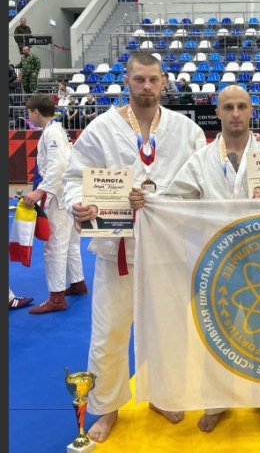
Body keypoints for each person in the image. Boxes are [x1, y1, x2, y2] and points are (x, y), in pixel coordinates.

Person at [132, 85, 260, 433]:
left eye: (242, 106)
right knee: (216, 332)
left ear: (252, 111)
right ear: (218, 113)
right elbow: (175, 198)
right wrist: (149, 202)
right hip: (216, 259)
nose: (235, 113)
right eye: (228, 107)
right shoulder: (202, 159)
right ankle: (217, 400)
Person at [63, 53, 207, 443]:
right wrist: (78, 203)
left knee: (168, 328)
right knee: (109, 331)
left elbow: (204, 180)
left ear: (164, 82)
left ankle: (163, 395)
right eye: (139, 79)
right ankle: (107, 406)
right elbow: (74, 178)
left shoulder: (186, 130)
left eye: (153, 79)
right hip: (117, 250)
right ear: (126, 81)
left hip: (168, 248)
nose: (146, 86)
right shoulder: (101, 129)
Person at [22, 95, 87, 314]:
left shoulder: (52, 133)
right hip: (67, 193)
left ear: (35, 112)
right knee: (71, 243)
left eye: (29, 113)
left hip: (58, 196)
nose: (29, 117)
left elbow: (58, 166)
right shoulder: (58, 130)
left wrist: (40, 190)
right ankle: (77, 282)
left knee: (54, 245)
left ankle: (57, 297)